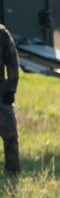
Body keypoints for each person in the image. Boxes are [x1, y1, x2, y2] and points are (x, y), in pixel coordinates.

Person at [0, 23, 19, 175]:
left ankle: (12, 172)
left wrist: (11, 89)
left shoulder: (2, 35)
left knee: (10, 135)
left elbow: (13, 62)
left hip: (1, 95)